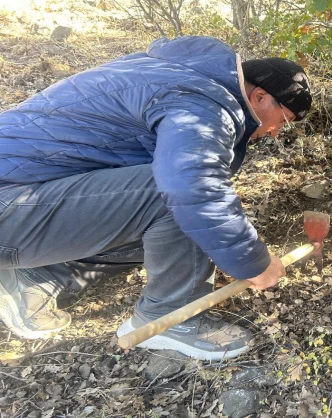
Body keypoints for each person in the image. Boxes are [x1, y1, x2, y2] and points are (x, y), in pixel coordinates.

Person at [0, 36, 312, 361]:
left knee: (173, 214)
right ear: (260, 96)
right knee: (179, 198)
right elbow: (189, 187)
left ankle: (36, 276)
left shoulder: (172, 74)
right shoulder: (206, 102)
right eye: (284, 120)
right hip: (11, 203)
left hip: (24, 195)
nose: (276, 132)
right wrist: (254, 262)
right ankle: (171, 320)